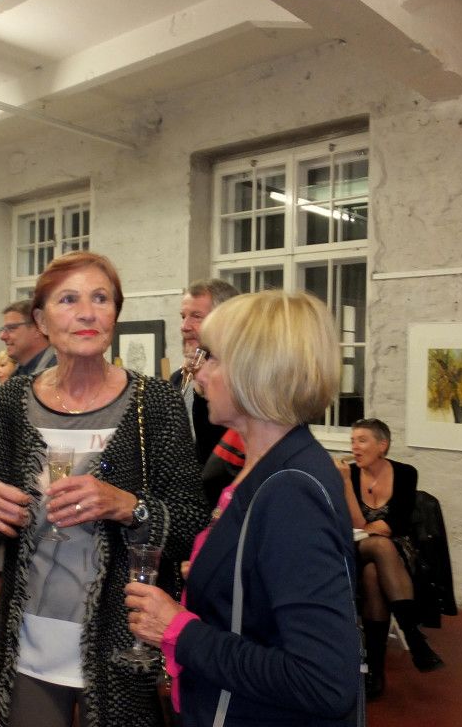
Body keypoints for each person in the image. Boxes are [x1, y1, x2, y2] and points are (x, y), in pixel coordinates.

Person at [0, 251, 208, 727]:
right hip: (30, 640)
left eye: (101, 299)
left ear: (115, 314)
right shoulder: (9, 403)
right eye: (69, 300)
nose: (87, 313)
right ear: (41, 320)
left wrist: (129, 507)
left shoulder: (155, 403)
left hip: (124, 644)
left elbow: (191, 524)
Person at [126, 291, 361, 727]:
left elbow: (324, 681)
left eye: (212, 358)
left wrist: (178, 631)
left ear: (254, 371)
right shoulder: (265, 467)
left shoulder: (291, 490)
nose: (199, 372)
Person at [340, 418, 443, 700]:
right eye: (352, 441)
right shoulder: (348, 474)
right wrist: (346, 484)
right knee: (378, 547)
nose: (355, 447)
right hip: (357, 549)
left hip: (395, 551)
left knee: (374, 573)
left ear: (382, 445)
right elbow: (358, 526)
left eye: (362, 440)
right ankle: (413, 636)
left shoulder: (406, 473)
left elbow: (393, 526)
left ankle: (375, 671)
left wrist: (372, 529)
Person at [168, 280, 239, 466]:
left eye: (196, 317)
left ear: (226, 322)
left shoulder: (241, 383)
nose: (184, 326)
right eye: (183, 316)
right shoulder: (178, 379)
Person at [0, 299, 57, 376]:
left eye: (11, 328)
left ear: (38, 329)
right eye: (3, 329)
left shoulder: (61, 372)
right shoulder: (18, 374)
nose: (2, 336)